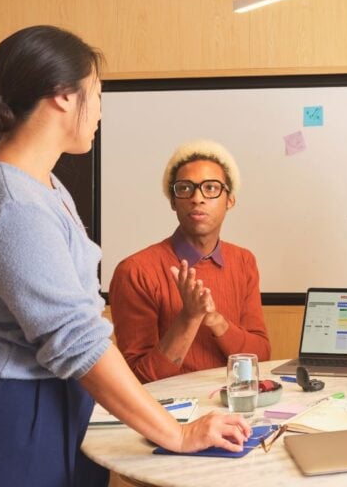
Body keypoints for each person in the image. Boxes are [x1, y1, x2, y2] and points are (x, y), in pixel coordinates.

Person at [0, 26, 251, 487]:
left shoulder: (44, 186)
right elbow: (79, 340)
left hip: (61, 405)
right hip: (8, 417)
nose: (100, 111)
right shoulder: (14, 202)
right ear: (63, 96)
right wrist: (177, 433)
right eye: (96, 94)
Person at [110, 139, 271, 383]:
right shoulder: (135, 271)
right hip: (169, 406)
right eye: (185, 188)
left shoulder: (243, 261)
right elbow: (139, 379)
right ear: (173, 201)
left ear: (230, 200)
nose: (197, 198)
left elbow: (261, 356)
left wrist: (216, 321)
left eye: (211, 188)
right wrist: (190, 317)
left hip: (234, 400)